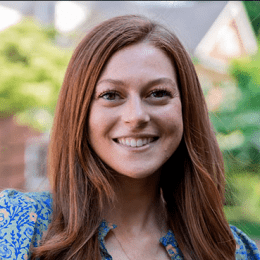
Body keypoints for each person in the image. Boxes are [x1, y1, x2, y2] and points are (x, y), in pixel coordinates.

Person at [0, 15, 259, 260]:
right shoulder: (18, 224)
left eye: (157, 93)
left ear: (186, 108)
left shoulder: (231, 250)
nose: (136, 116)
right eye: (111, 95)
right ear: (79, 112)